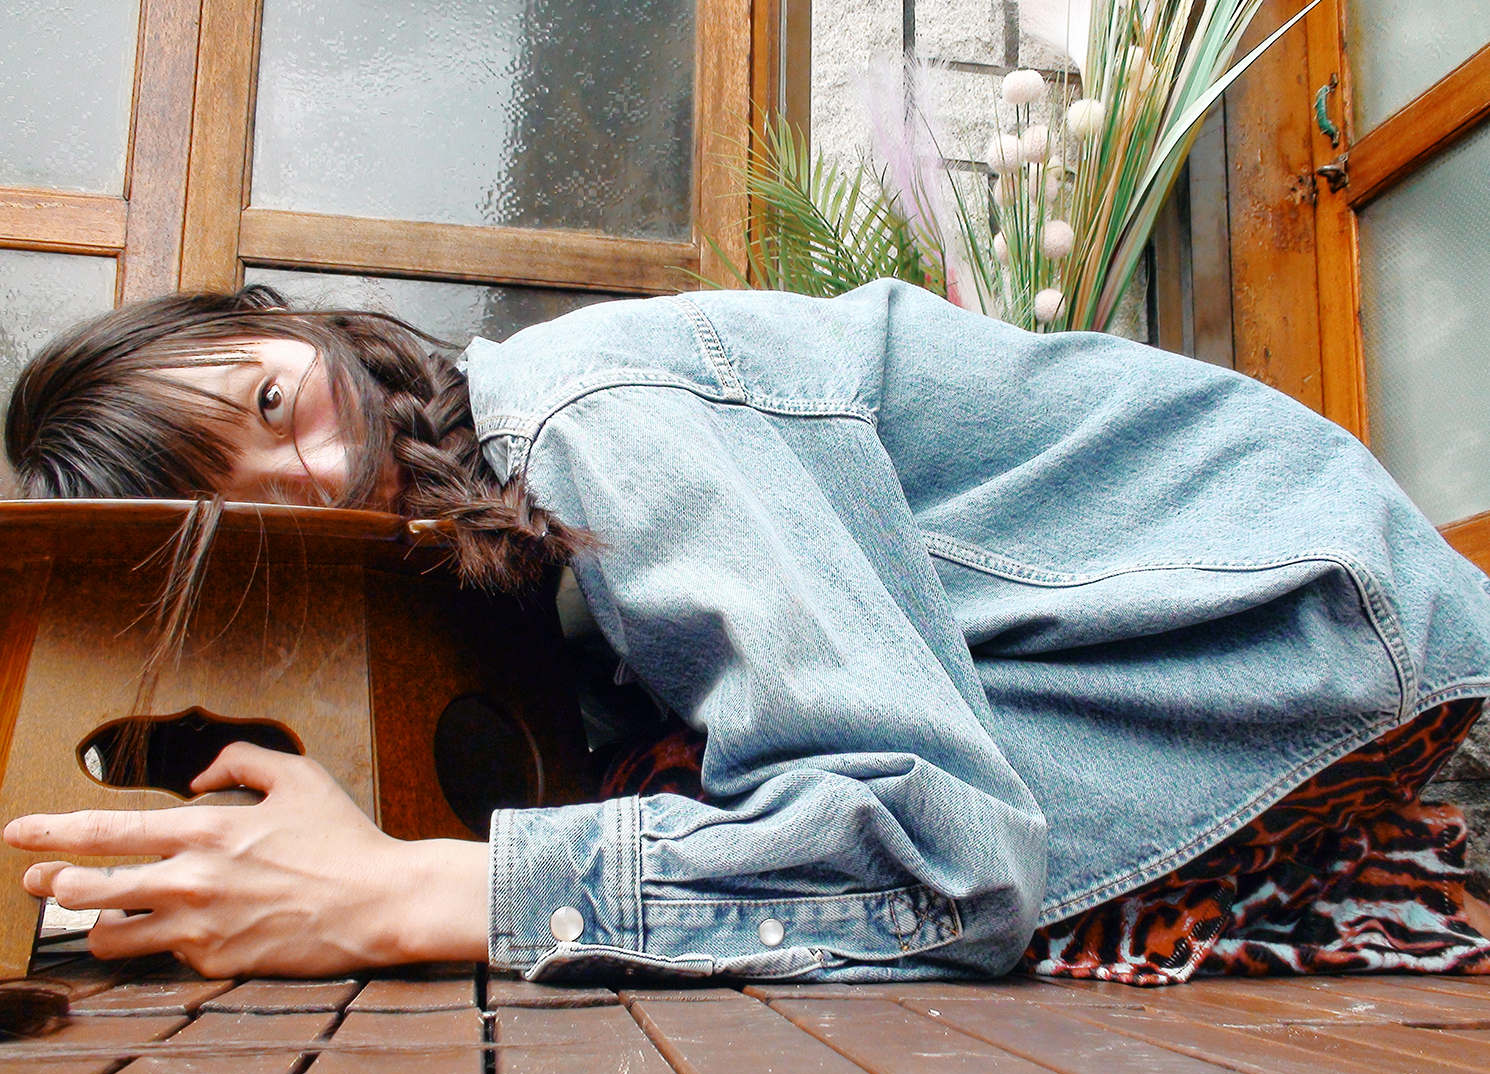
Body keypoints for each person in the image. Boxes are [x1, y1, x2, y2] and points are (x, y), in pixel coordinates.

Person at [4, 279, 1490, 984]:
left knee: (725, 850)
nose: (321, 470)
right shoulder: (489, 553)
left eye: (270, 401)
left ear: (275, 321)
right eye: (249, 508)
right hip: (1254, 640)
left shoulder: (580, 407)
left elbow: (943, 853)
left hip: (1286, 621)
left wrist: (406, 893)